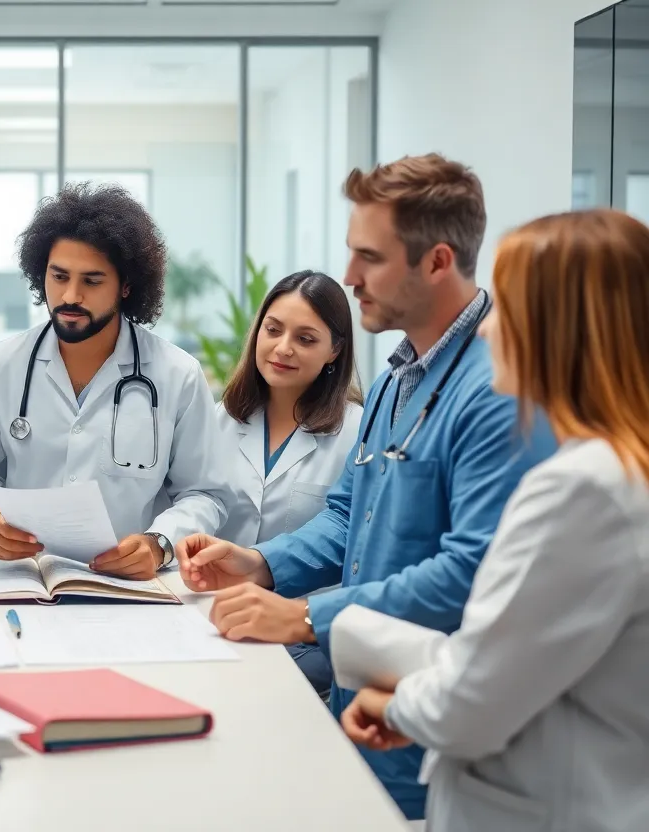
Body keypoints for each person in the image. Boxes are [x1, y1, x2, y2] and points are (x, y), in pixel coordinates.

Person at [176, 154, 556, 820]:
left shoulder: (496, 391)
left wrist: (303, 616)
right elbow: (349, 515)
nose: (348, 277)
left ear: (437, 261)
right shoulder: (395, 381)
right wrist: (262, 563)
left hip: (438, 736)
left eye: (368, 258)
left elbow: (475, 571)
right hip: (363, 709)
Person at [340, 209, 649, 832]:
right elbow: (515, 657)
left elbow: (472, 703)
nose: (486, 333)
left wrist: (396, 704)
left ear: (559, 330)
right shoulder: (621, 470)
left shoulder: (581, 488)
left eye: (504, 311)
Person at [0, 182, 231, 580]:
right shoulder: (0, 366)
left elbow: (206, 493)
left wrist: (160, 544)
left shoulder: (177, 375)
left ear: (126, 285)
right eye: (59, 276)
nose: (70, 295)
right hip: (22, 580)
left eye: (92, 280)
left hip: (126, 586)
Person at [212, 270, 364, 697]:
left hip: (303, 642)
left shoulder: (357, 433)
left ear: (334, 350)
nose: (283, 349)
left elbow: (346, 532)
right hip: (219, 619)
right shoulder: (219, 419)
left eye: (306, 339)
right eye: (273, 330)